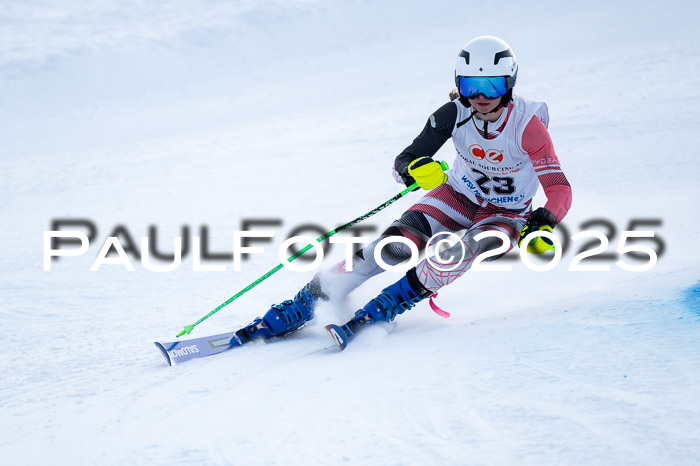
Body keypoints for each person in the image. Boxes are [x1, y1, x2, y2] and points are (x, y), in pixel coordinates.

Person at [237, 36, 572, 349]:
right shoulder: (453, 114)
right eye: (471, 86)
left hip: (506, 215)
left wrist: (544, 220)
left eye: (492, 85)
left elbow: (558, 187)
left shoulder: (527, 125)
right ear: (459, 85)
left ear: (509, 84)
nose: (481, 97)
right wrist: (414, 168)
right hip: (456, 196)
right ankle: (305, 302)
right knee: (392, 248)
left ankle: (389, 304)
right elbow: (405, 159)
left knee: (458, 253)